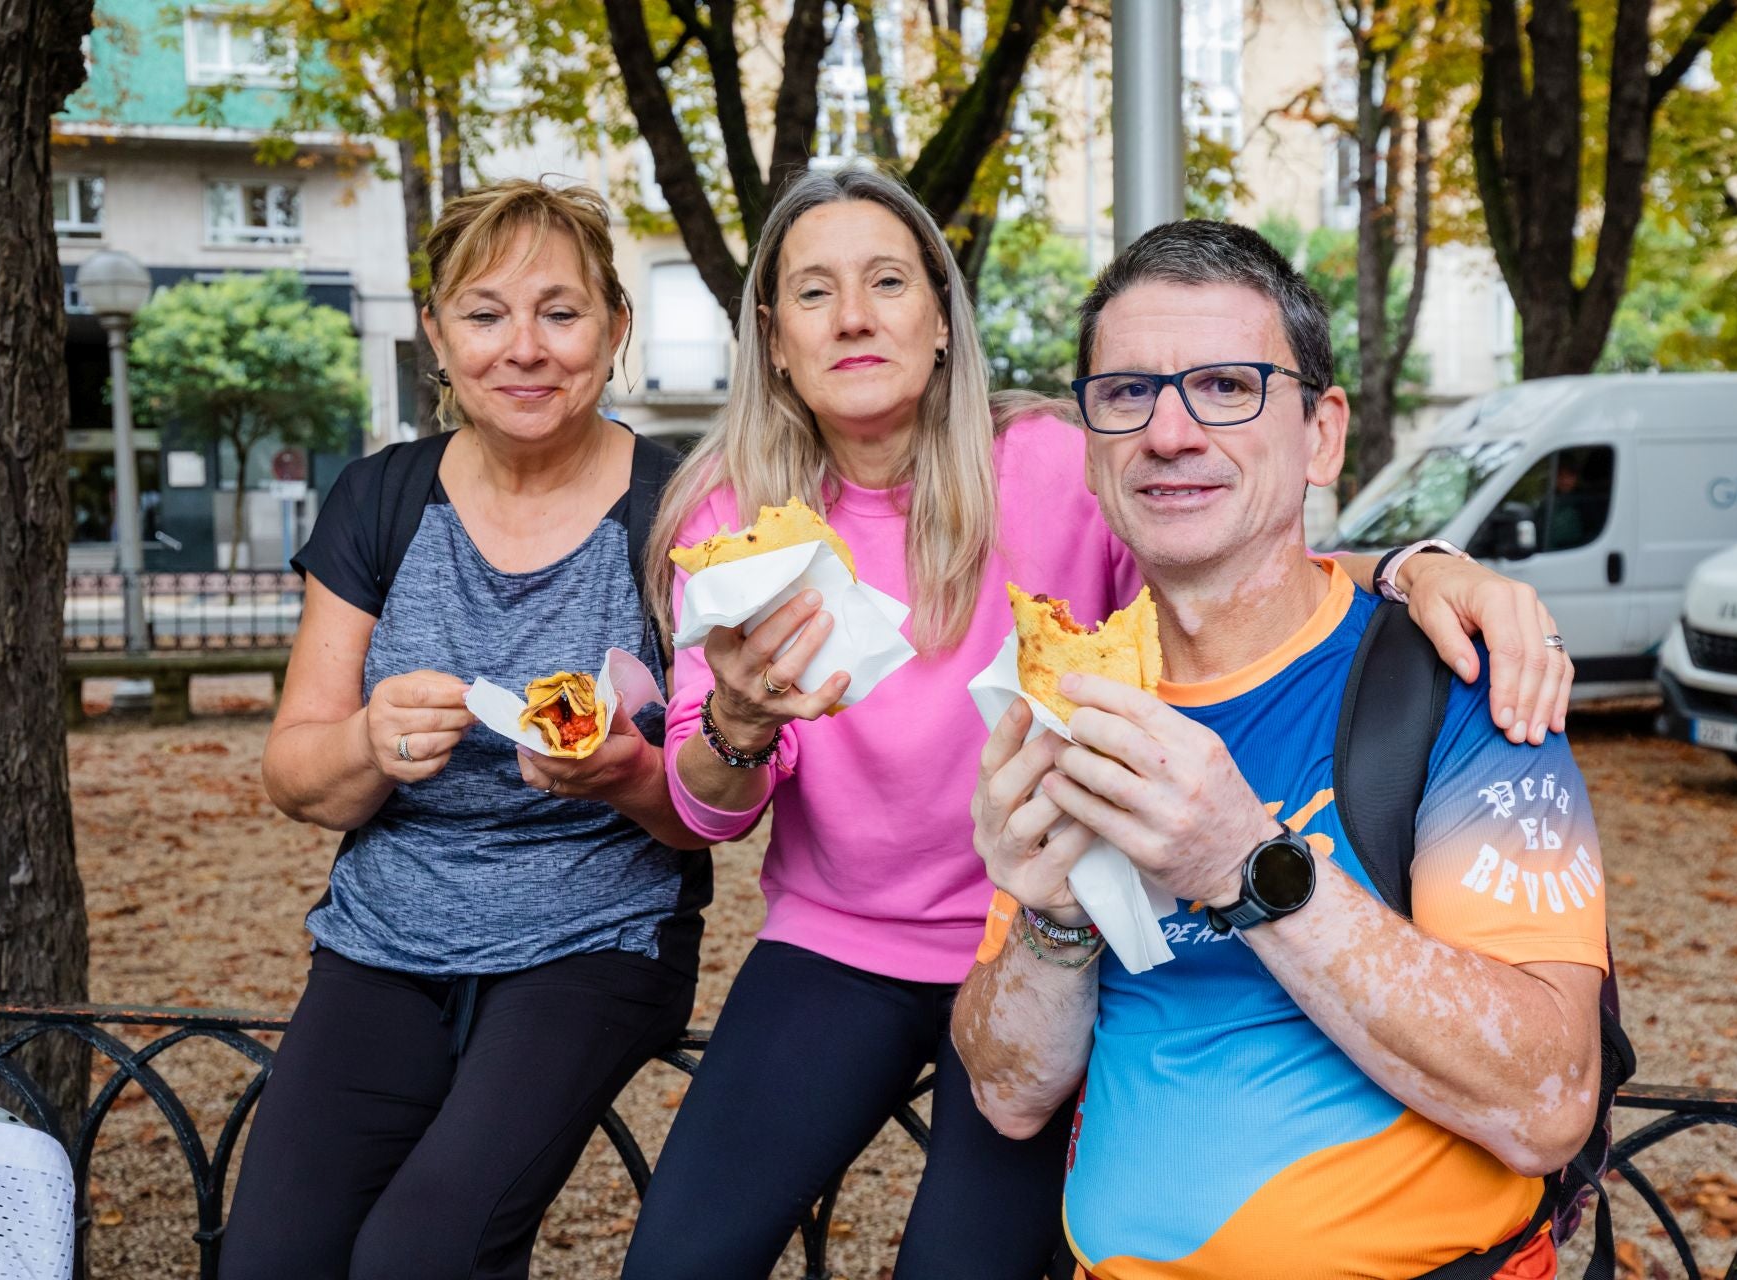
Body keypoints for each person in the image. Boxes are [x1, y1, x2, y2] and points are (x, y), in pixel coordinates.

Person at [622, 167, 1575, 1279]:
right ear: (773, 337)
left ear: (941, 316)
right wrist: (736, 720)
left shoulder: (1053, 458)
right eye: (814, 291)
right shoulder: (724, 514)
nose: (855, 314)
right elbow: (705, 809)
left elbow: (1231, 561)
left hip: (1066, 920)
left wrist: (1420, 567)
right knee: (677, 1258)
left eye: (888, 280)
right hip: (843, 938)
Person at [955, 219, 1608, 1280]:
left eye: (1226, 385)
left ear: (1321, 432)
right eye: (1126, 392)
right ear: (1091, 443)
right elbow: (1008, 1088)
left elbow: (1546, 1100)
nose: (1168, 431)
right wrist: (1053, 920)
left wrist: (1244, 866)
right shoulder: (1073, 698)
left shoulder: (1457, 678)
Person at [224, 180, 711, 1280]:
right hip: (383, 937)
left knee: (421, 1252)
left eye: (562, 311)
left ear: (616, 327)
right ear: (437, 334)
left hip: (595, 936)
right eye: (486, 314)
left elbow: (713, 809)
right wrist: (366, 742)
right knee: (270, 1257)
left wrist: (627, 773)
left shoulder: (681, 511)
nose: (525, 348)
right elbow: (297, 773)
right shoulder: (381, 497)